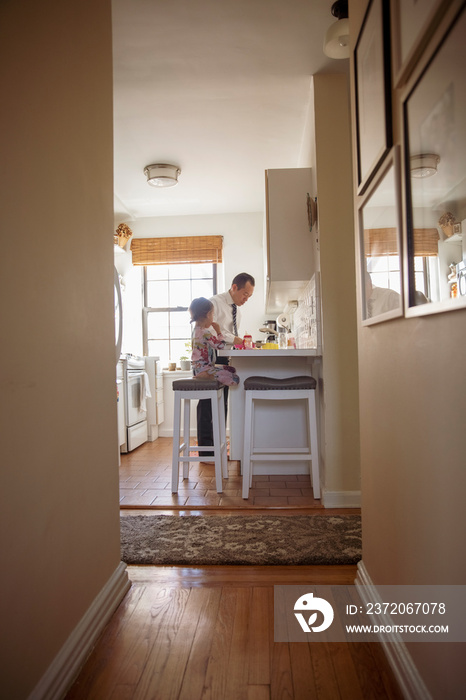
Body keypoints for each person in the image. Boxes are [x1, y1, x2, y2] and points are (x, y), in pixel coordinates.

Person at [197, 272, 255, 458]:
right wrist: (237, 339)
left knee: (222, 402)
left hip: (225, 357)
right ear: (234, 287)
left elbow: (228, 336)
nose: (246, 299)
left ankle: (218, 445)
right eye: (245, 294)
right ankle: (206, 451)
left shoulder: (237, 310)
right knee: (207, 403)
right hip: (210, 358)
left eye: (250, 296)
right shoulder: (215, 302)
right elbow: (209, 331)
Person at [189, 297, 239, 386]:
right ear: (208, 314)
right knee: (235, 378)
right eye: (213, 314)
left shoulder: (194, 331)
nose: (212, 318)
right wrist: (218, 331)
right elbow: (221, 346)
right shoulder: (205, 333)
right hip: (205, 370)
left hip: (196, 370)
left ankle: (208, 375)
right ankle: (207, 376)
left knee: (231, 369)